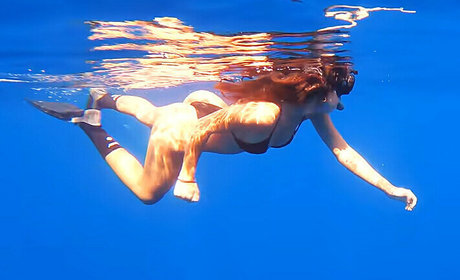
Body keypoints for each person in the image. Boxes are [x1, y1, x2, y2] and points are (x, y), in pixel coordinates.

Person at [29, 62, 417, 210]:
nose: (341, 104)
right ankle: (91, 124)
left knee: (157, 115)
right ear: (317, 93)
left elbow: (343, 152)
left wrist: (389, 187)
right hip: (186, 130)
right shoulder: (264, 115)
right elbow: (198, 131)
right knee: (148, 192)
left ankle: (104, 98)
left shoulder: (309, 112)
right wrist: (187, 177)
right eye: (338, 96)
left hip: (196, 114)